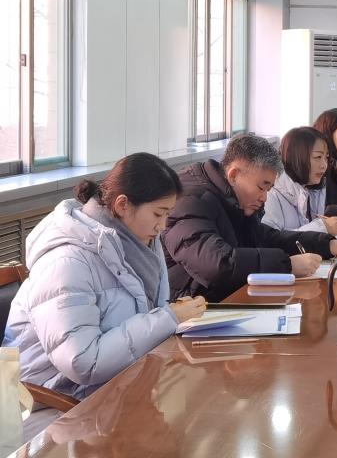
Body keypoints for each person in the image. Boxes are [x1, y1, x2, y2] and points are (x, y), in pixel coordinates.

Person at [4, 153, 207, 399]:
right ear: (122, 205)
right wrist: (167, 318)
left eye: (167, 214)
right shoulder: (66, 262)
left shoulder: (139, 244)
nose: (163, 226)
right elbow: (84, 362)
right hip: (48, 401)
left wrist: (175, 316)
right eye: (158, 214)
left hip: (115, 384)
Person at [163, 133, 337, 302]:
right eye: (262, 187)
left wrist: (326, 244)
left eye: (269, 189)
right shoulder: (191, 201)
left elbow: (266, 238)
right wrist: (286, 265)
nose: (264, 198)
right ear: (234, 175)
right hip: (193, 312)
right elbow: (217, 265)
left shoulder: (232, 198)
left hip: (226, 301)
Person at [263, 126, 337, 236]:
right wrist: (322, 228)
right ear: (296, 157)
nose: (324, 165)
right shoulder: (270, 194)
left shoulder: (312, 188)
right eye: (318, 157)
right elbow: (271, 241)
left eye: (326, 157)